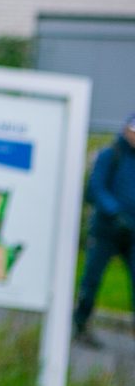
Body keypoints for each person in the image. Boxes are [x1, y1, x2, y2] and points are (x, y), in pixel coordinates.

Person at [72, 112, 135, 347]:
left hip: (133, 233)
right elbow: (95, 187)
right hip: (106, 230)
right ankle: (80, 324)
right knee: (92, 279)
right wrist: (114, 212)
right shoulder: (112, 154)